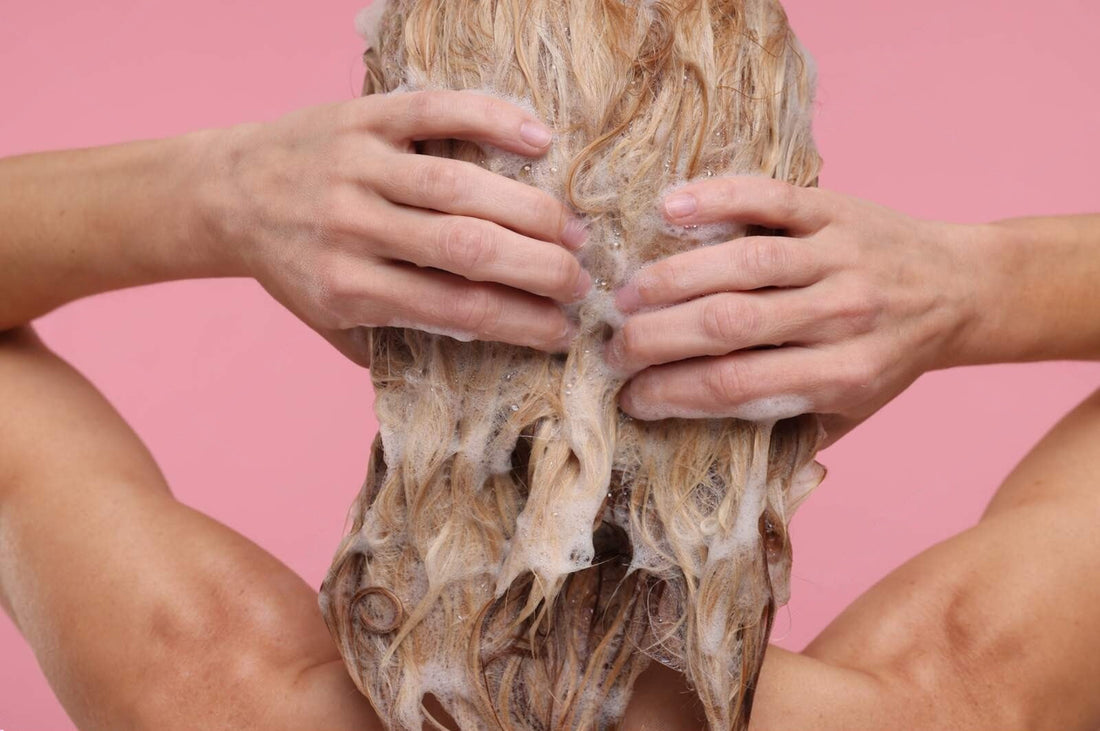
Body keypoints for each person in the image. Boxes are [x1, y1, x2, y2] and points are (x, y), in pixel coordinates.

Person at [1, 93, 1099, 731]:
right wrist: (973, 286)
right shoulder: (956, 687)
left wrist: (213, 197)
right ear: (768, 458)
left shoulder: (203, 682)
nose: (567, 468)